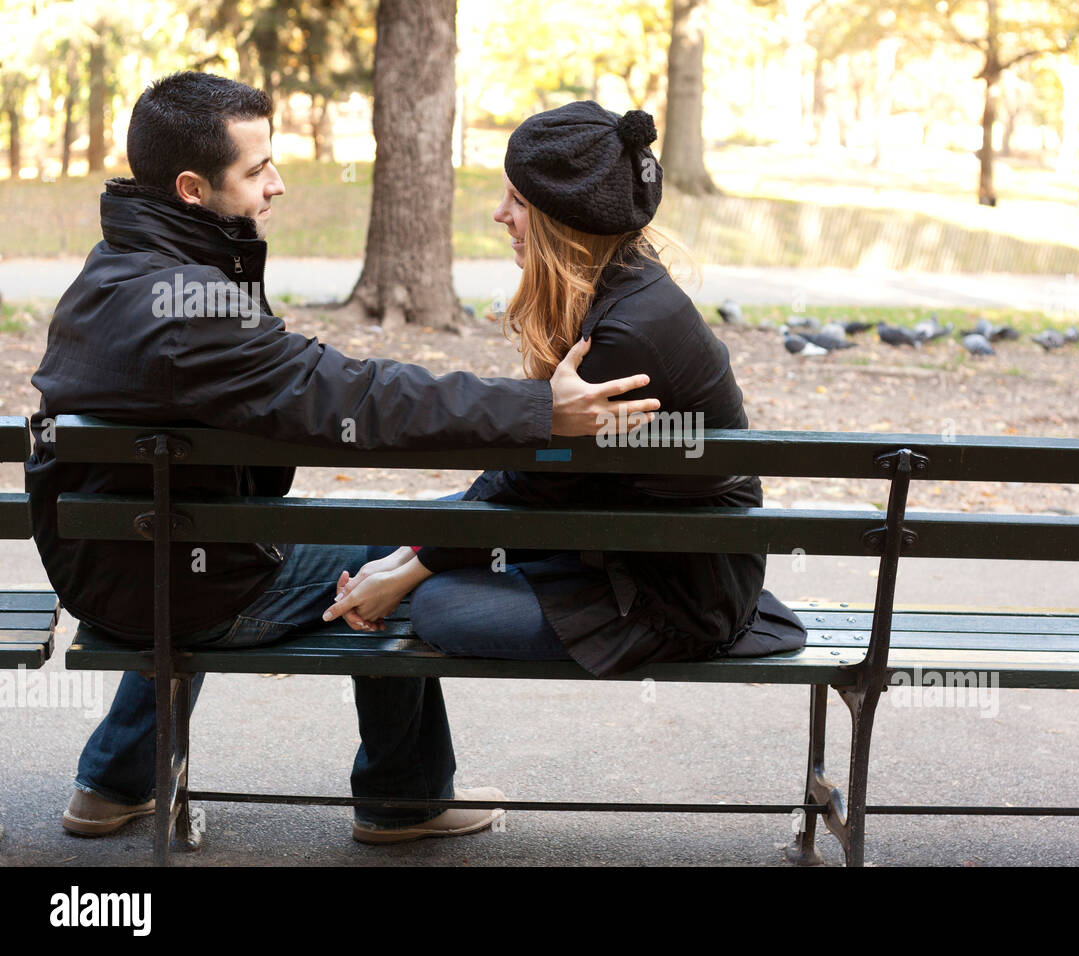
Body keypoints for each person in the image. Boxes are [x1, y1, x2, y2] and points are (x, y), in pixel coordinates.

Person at [26, 73, 659, 844]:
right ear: (192, 189)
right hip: (183, 585)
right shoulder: (190, 310)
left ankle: (112, 782)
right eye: (257, 170)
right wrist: (538, 412)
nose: (278, 185)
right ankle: (404, 798)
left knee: (172, 542)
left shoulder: (115, 270)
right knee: (382, 546)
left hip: (118, 568)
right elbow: (358, 399)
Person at [323, 101, 806, 677]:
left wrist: (411, 572)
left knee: (438, 604)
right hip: (616, 530)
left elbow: (541, 486)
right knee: (400, 543)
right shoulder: (626, 284)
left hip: (669, 593)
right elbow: (536, 471)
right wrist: (410, 553)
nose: (500, 215)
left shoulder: (627, 334)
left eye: (519, 202)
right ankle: (402, 759)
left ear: (563, 218)